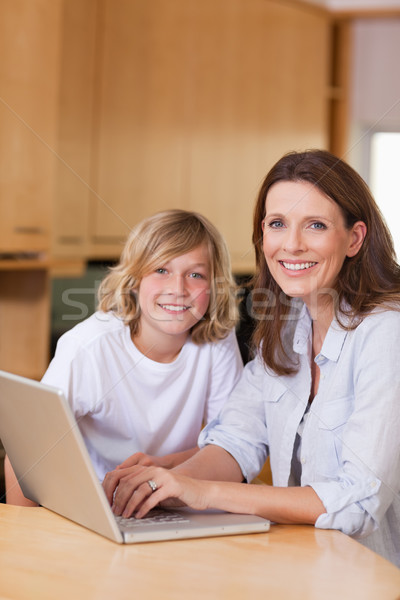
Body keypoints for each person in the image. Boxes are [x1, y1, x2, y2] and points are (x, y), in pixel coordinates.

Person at [103, 150, 400, 567]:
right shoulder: (286, 324)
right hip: (302, 571)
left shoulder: (387, 332)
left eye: (315, 225)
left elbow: (358, 501)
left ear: (354, 238)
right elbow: (236, 440)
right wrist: (165, 485)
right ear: (263, 234)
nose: (292, 244)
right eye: (278, 224)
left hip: (375, 578)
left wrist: (201, 492)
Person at [5, 209, 243, 505]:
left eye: (195, 274)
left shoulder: (216, 341)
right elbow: (28, 445)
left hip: (179, 503)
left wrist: (164, 465)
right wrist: (26, 533)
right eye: (161, 270)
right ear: (134, 279)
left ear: (214, 286)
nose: (178, 289)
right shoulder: (89, 347)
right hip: (98, 506)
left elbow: (231, 445)